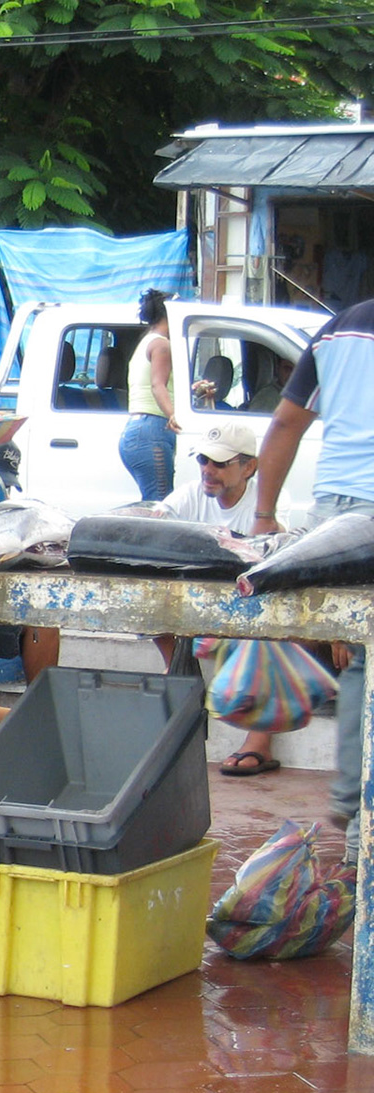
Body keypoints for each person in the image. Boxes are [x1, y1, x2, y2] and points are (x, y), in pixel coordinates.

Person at [252, 299, 374, 863]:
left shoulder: (341, 327)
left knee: (360, 666)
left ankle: (354, 823)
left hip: (336, 515)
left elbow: (285, 423)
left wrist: (263, 515)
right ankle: (359, 833)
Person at [156, 420, 278, 776]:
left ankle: (260, 739)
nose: (208, 470)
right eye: (204, 461)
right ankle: (182, 676)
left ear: (248, 467)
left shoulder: (263, 503)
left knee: (268, 630)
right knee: (143, 604)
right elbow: (155, 524)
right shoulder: (189, 495)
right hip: (199, 607)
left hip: (246, 609)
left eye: (220, 463)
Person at [118, 289, 181, 503]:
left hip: (139, 430)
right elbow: (157, 386)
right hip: (152, 430)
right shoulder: (162, 344)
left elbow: (157, 384)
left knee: (155, 502)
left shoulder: (148, 341)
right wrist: (173, 415)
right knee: (160, 505)